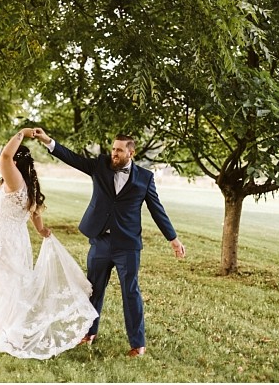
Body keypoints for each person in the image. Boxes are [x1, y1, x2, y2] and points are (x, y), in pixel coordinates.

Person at [32, 128, 186, 357]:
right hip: (100, 241)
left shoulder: (145, 178)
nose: (114, 153)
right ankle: (88, 333)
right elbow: (73, 158)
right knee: (93, 289)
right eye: (113, 149)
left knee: (130, 292)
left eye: (119, 150)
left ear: (130, 153)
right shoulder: (101, 165)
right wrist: (48, 141)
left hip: (127, 245)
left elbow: (157, 210)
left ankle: (138, 344)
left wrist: (172, 239)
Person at [0, 128, 99, 359]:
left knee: (2, 282)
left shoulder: (14, 179)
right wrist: (41, 230)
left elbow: (4, 157)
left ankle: (6, 330)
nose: (5, 161)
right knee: (6, 282)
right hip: (12, 238)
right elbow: (34, 213)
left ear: (15, 162)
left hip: (1, 238)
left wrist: (22, 133)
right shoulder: (27, 184)